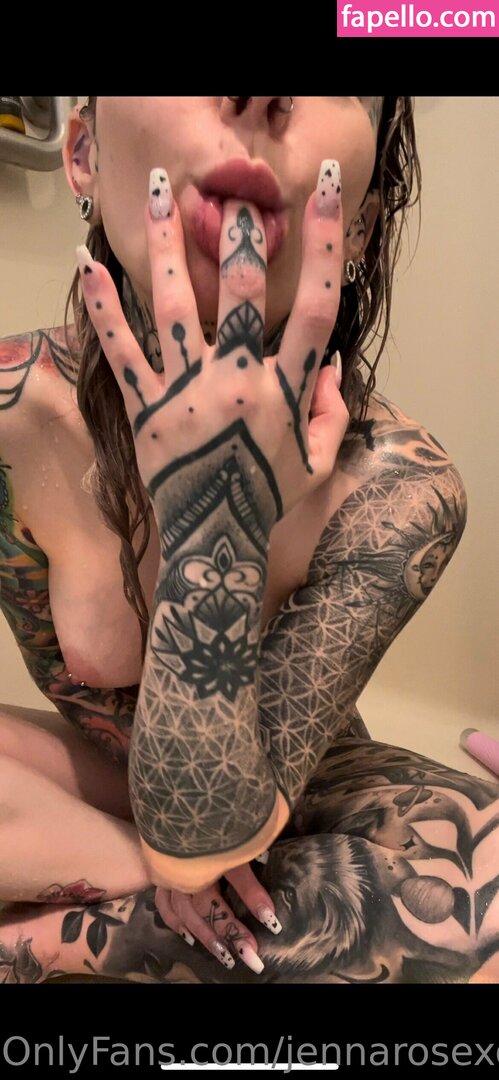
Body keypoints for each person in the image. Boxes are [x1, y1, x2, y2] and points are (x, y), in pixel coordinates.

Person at [0, 96, 497, 985]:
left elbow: (206, 833)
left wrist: (214, 524)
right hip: (103, 780)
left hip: (291, 798)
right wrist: (136, 864)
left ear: (357, 227)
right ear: (83, 154)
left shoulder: (398, 487)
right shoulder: (10, 408)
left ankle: (36, 939)